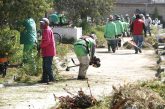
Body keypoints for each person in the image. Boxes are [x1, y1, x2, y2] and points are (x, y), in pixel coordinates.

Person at [39, 18, 56, 83]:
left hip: (49, 51)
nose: (40, 25)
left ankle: (52, 79)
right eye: (40, 23)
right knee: (44, 66)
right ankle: (45, 79)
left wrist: (40, 46)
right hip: (46, 51)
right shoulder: (46, 29)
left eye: (42, 24)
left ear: (46, 24)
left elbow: (47, 42)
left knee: (47, 66)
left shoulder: (47, 30)